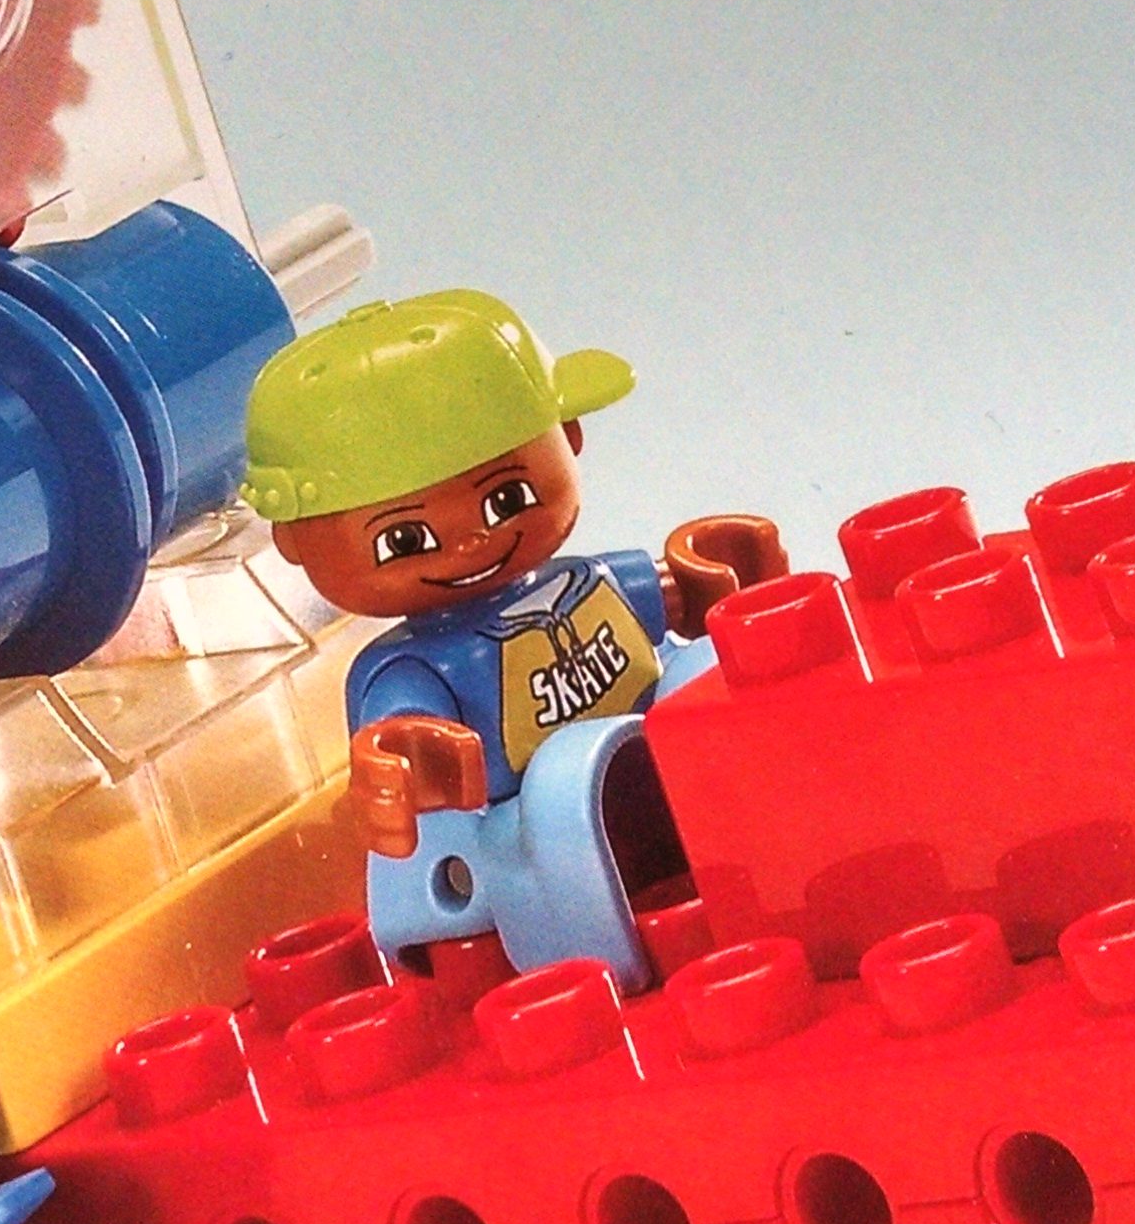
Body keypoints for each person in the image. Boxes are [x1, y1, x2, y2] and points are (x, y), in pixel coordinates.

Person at [242, 291, 777, 987]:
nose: (470, 542)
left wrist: (710, 583)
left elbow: (678, 601)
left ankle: (783, 849)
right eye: (405, 539)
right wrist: (402, 761)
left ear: (569, 437)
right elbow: (399, 738)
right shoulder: (412, 667)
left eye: (507, 500)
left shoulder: (587, 584)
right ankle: (591, 976)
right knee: (551, 808)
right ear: (294, 541)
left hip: (672, 777)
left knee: (707, 675)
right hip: (529, 839)